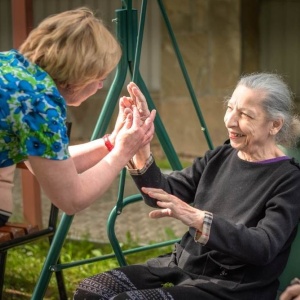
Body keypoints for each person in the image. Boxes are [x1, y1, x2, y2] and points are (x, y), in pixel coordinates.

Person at [74, 73, 300, 300]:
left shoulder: (289, 180)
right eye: (230, 108)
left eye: (245, 115)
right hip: (182, 266)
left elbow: (264, 247)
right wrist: (141, 149)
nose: (230, 121)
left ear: (275, 125)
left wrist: (199, 219)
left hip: (230, 288)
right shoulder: (221, 155)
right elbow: (162, 194)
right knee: (91, 291)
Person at [0, 7, 156, 225]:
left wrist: (111, 143)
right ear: (79, 74)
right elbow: (71, 199)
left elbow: (52, 165)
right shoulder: (39, 103)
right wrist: (124, 152)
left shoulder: (11, 65)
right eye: (100, 77)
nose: (101, 85)